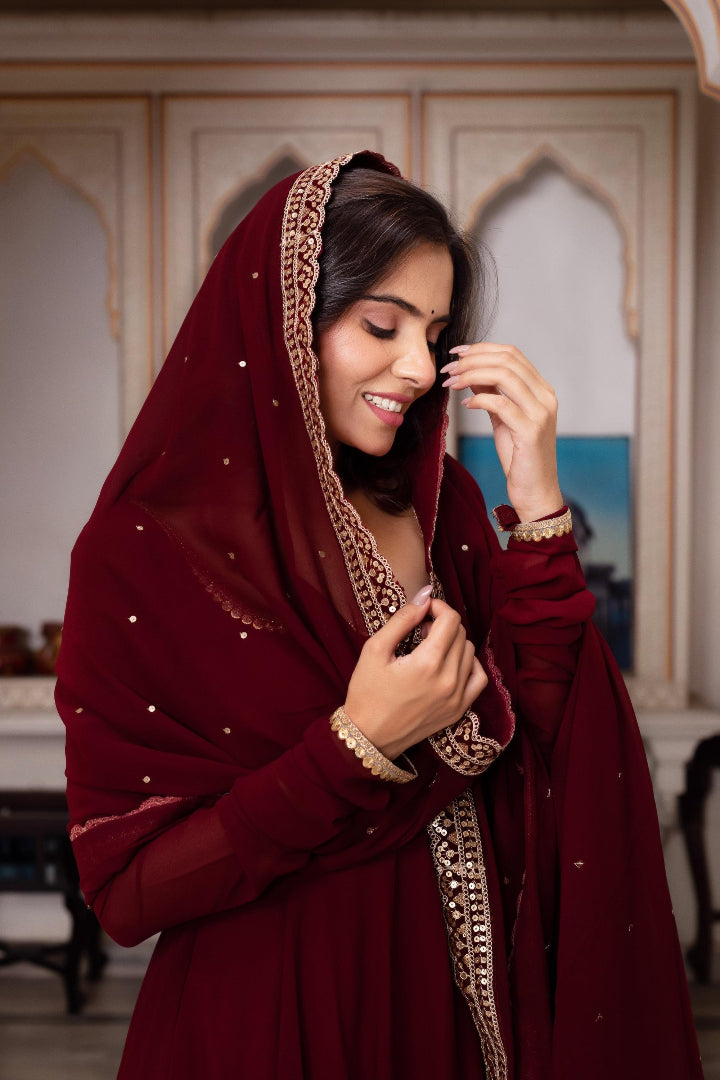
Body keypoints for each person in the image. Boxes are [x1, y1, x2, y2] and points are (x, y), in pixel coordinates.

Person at [56, 152, 702, 1080]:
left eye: (436, 334)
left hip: (460, 1016)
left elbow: (543, 728)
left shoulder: (442, 509)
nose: (418, 366)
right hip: (278, 1021)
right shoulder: (147, 552)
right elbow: (126, 892)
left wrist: (541, 502)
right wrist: (356, 744)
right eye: (382, 325)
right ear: (284, 324)